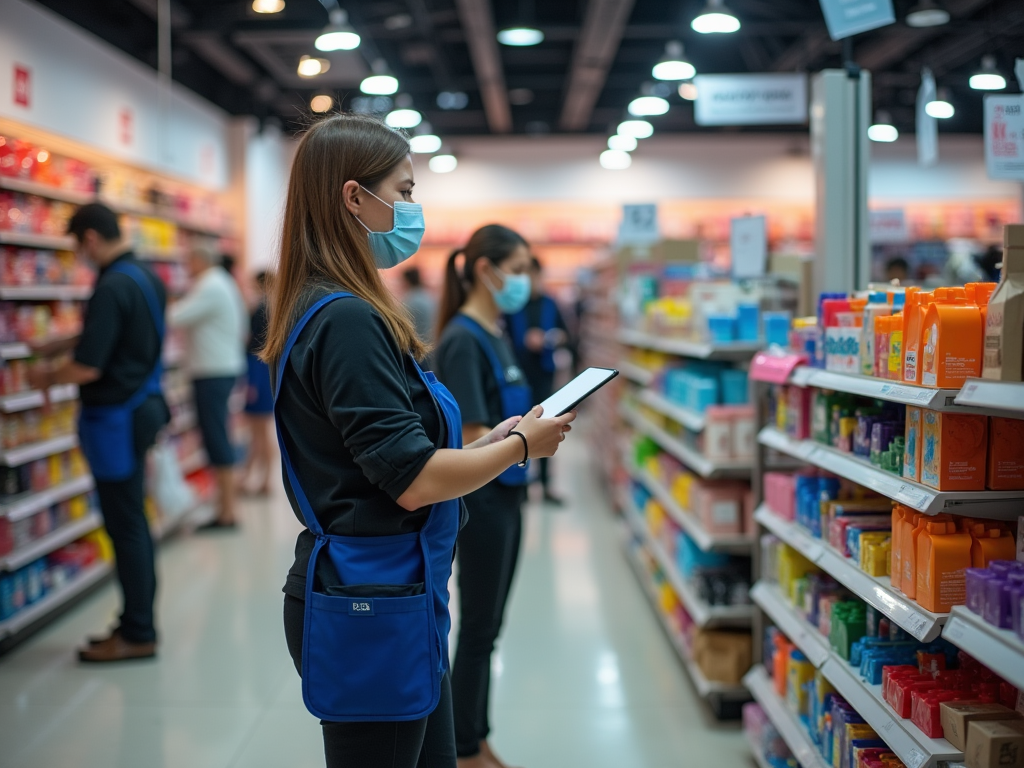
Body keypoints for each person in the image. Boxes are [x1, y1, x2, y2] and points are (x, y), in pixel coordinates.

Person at [262, 114, 574, 768]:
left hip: (395, 591)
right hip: (372, 602)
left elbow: (391, 449)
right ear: (354, 197)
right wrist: (521, 450)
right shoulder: (346, 319)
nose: (412, 209)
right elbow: (411, 478)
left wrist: (507, 433)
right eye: (402, 192)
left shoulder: (336, 305)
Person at [28, 203, 169, 662]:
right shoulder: (145, 276)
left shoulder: (110, 285)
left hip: (117, 417)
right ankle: (136, 623)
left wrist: (44, 378)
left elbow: (90, 366)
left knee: (125, 526)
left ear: (89, 238)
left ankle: (137, 632)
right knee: (134, 522)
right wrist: (61, 343)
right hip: (142, 405)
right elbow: (116, 334)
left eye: (77, 246)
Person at [433, 225, 535, 768]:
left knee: (488, 627)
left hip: (509, 497)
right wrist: (522, 441)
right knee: (476, 628)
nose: (525, 281)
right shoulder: (462, 341)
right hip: (483, 502)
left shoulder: (494, 331)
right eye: (517, 268)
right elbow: (473, 439)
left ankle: (474, 736)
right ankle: (465, 749)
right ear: (484, 269)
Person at [169, 246, 247, 528]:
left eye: (188, 258)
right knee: (218, 434)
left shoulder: (210, 285)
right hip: (218, 369)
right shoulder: (219, 282)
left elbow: (174, 316)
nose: (185, 265)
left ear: (200, 259)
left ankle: (226, 512)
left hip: (212, 372)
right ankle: (224, 507)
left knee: (216, 437)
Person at [505, 256, 569, 505]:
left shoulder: (551, 304)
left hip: (544, 374)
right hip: (517, 377)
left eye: (533, 275)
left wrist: (548, 338)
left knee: (547, 427)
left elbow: (566, 336)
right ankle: (520, 484)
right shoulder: (513, 306)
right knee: (518, 428)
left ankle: (545, 484)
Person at [240, 271, 273, 495]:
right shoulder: (271, 306)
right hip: (263, 369)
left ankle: (264, 480)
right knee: (258, 430)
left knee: (259, 430)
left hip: (257, 368)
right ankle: (252, 477)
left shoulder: (262, 307)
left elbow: (253, 341)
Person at [402, 266, 437, 343]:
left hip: (420, 344)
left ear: (407, 281)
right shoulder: (429, 296)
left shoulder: (409, 301)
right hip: (434, 342)